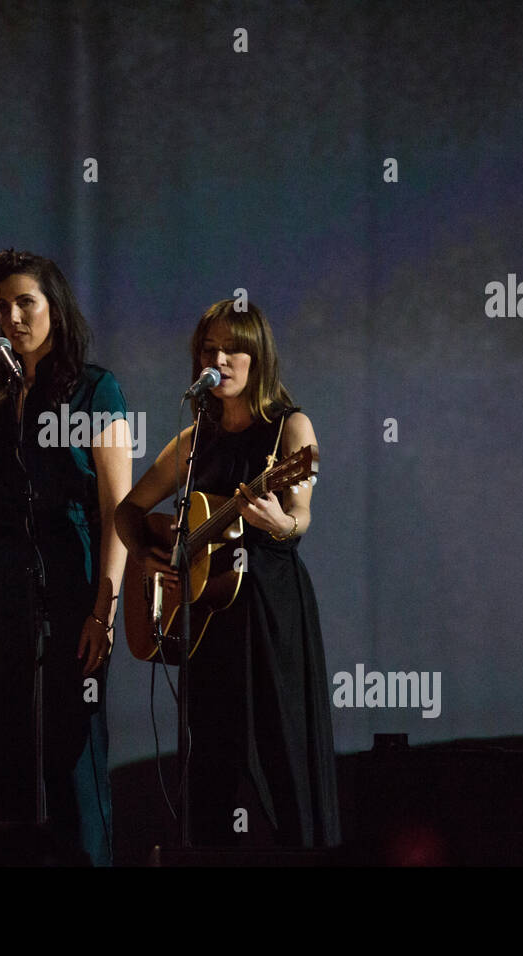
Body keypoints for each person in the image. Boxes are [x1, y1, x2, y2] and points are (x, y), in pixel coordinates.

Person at [114, 298, 342, 849]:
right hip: (208, 623)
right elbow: (128, 510)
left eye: (232, 348)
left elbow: (300, 517)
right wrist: (149, 556)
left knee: (280, 747)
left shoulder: (290, 428)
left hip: (269, 612)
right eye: (208, 349)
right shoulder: (194, 441)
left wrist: (280, 521)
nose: (218, 358)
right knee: (209, 754)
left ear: (257, 356)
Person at [0, 250, 131, 866]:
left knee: (75, 763)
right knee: (14, 762)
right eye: (2, 307)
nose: (12, 316)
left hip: (76, 594)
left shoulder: (97, 388)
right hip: (6, 598)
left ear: (54, 308)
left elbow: (119, 507)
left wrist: (106, 610)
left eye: (25, 302)